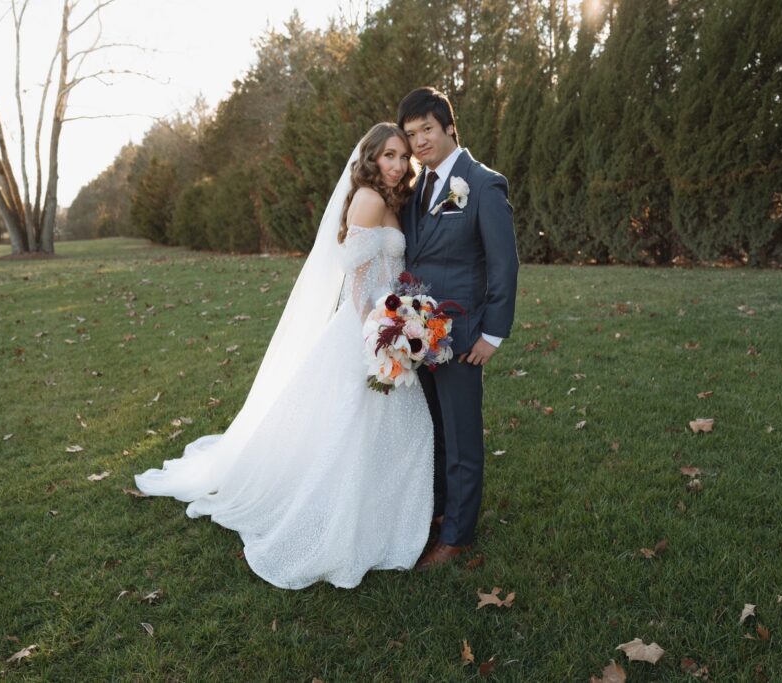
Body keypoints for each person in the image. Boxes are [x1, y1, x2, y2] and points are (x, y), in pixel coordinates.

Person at [134, 123, 434, 589]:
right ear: (372, 158)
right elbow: (356, 281)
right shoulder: (369, 200)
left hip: (389, 322)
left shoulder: (391, 200)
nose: (397, 165)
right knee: (355, 426)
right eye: (388, 156)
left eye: (402, 157)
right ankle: (343, 517)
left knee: (388, 428)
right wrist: (378, 337)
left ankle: (381, 511)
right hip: (366, 329)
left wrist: (400, 323)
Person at [398, 87, 519, 570]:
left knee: (464, 437)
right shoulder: (418, 187)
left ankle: (459, 536)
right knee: (437, 432)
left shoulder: (482, 184)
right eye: (411, 135)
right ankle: (441, 511)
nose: (420, 141)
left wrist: (493, 333)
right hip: (417, 333)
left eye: (427, 129)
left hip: (465, 337)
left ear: (449, 127)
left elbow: (504, 264)